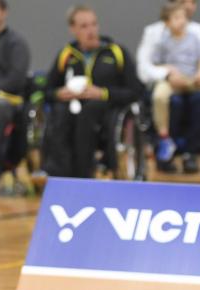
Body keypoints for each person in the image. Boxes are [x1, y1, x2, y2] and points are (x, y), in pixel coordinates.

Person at [42, 5, 142, 178]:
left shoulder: (117, 52)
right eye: (84, 26)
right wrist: (59, 93)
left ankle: (83, 175)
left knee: (90, 111)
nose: (91, 30)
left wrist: (103, 93)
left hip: (106, 108)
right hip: (72, 107)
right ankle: (58, 174)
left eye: (94, 24)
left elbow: (136, 90)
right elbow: (47, 91)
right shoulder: (66, 54)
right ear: (73, 29)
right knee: (60, 112)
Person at [136, 0, 200, 173]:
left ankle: (196, 149)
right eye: (183, 2)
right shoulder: (155, 34)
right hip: (170, 85)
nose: (188, 6)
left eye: (192, 2)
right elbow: (144, 66)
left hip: (194, 85)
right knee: (165, 99)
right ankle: (164, 143)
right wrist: (167, 74)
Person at [0, 0, 29, 181]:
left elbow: (17, 78)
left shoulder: (16, 43)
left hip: (6, 98)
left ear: (3, 12)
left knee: (0, 109)